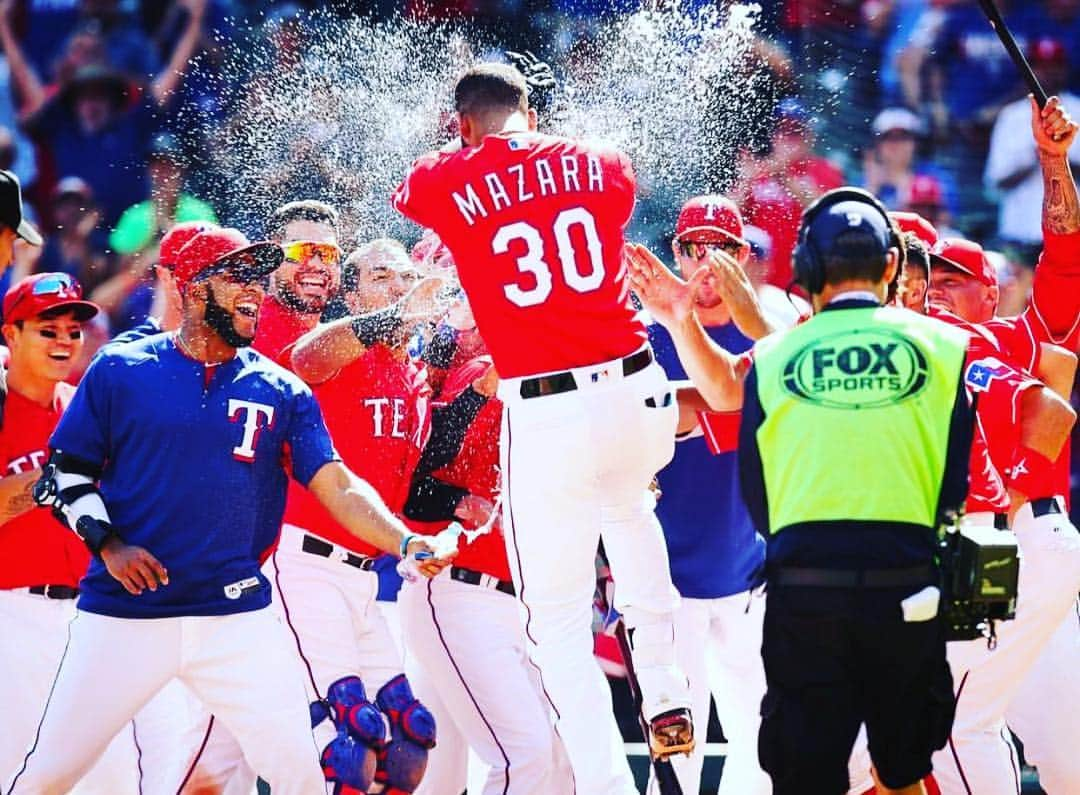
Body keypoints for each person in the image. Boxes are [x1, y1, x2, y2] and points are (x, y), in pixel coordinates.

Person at [2, 226, 451, 794]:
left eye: (258, 279)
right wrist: (109, 544)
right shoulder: (122, 368)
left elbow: (337, 485)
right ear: (192, 288)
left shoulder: (280, 388)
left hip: (236, 618)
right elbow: (67, 470)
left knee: (314, 775)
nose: (254, 290)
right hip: (127, 615)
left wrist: (405, 542)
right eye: (235, 276)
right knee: (48, 777)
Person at [393, 62, 692, 793]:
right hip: (634, 381)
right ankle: (669, 694)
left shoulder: (448, 174)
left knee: (553, 620)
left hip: (548, 403)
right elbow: (603, 182)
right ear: (532, 108)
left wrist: (473, 148)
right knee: (631, 521)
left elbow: (416, 186)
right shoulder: (596, 158)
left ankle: (606, 783)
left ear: (462, 123)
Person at [630, 188, 973, 795]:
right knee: (900, 768)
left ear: (808, 269)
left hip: (803, 582)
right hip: (909, 579)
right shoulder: (940, 346)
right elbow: (958, 473)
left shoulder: (782, 349)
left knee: (802, 770)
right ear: (892, 266)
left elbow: (748, 453)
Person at [274, 239, 435, 760]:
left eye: (407, 278)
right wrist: (395, 313)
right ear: (351, 294)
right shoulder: (338, 345)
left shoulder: (417, 375)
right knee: (351, 737)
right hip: (306, 564)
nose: (399, 288)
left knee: (411, 741)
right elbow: (307, 357)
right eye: (381, 277)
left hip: (365, 574)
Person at [400, 345, 575, 795]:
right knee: (527, 755)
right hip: (462, 594)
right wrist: (456, 502)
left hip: (520, 602)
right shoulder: (487, 373)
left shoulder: (564, 381)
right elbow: (416, 477)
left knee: (554, 757)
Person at [646, 195, 772, 795]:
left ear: (744, 256)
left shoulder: (770, 328)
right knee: (675, 756)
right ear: (675, 252)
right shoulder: (643, 335)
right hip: (666, 586)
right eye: (693, 247)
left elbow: (731, 402)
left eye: (720, 249)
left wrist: (675, 408)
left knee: (768, 748)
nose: (705, 264)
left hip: (751, 577)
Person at [0, 272, 141, 794]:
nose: (65, 340)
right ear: (10, 335)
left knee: (114, 780)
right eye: (47, 329)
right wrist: (57, 475)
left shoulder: (87, 408)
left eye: (74, 330)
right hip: (12, 616)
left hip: (88, 619)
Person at [984, 38, 1080, 247]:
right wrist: (1035, 156)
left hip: (1071, 238)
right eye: (1040, 66)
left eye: (1054, 66)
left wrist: (1056, 155)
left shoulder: (1078, 110)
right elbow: (995, 182)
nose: (1047, 72)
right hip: (1019, 235)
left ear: (1064, 69)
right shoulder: (1011, 116)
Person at [252, 199, 342, 367]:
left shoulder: (341, 344)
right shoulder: (245, 332)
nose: (316, 264)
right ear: (272, 259)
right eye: (301, 251)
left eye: (328, 253)